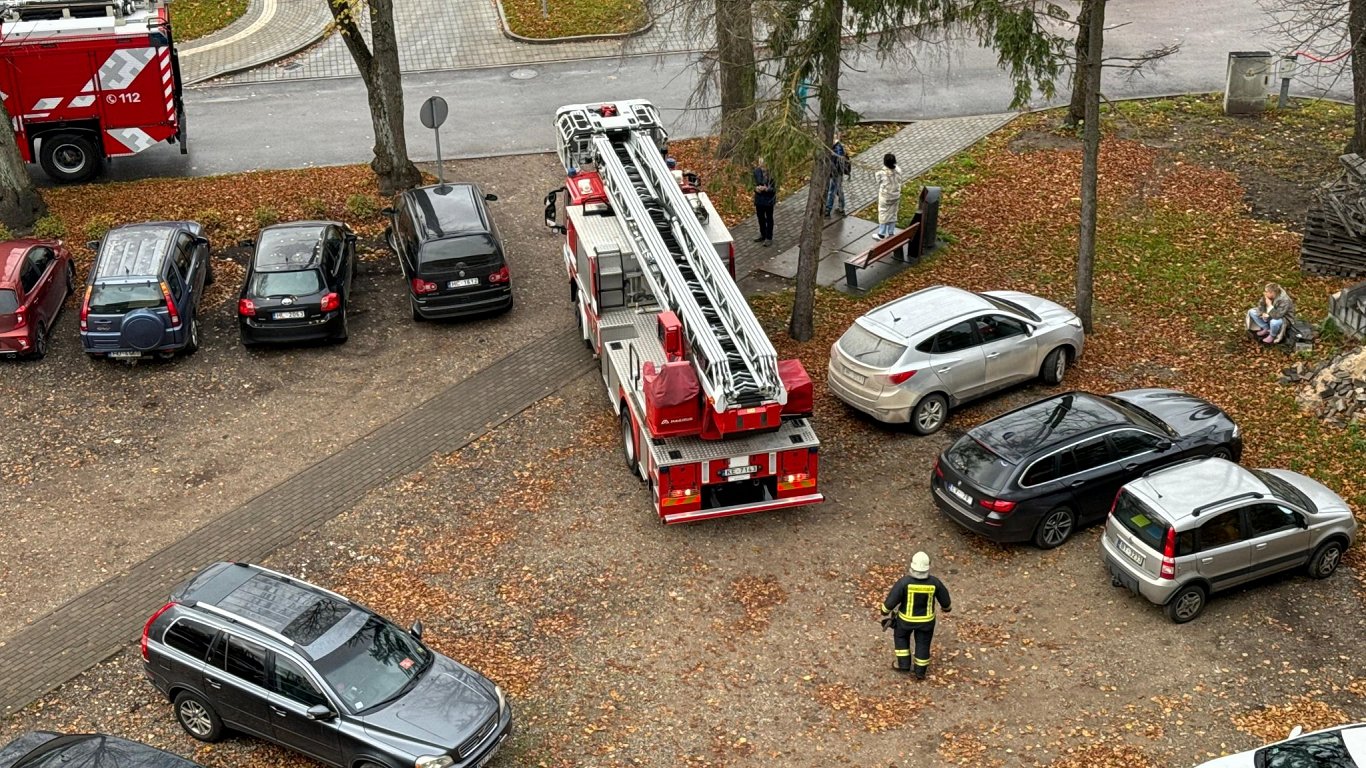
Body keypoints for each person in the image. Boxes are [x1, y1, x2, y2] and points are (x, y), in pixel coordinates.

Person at [881, 551, 951, 679]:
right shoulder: (935, 583)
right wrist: (946, 608)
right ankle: (920, 672)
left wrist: (884, 611)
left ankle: (903, 664)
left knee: (901, 638)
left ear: (912, 566)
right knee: (923, 643)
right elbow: (945, 601)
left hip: (905, 620)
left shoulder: (904, 582)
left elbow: (891, 600)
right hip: (927, 622)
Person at [874, 153, 901, 240]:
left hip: (885, 196)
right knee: (893, 213)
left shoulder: (881, 172)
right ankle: (891, 232)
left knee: (883, 212)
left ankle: (881, 233)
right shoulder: (898, 170)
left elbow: (878, 181)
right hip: (896, 195)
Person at [752, 157, 776, 246]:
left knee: (769, 218)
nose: (761, 166)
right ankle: (763, 234)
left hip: (769, 199)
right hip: (759, 199)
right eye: (760, 164)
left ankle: (769, 237)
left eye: (763, 164)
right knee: (760, 217)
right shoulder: (756, 171)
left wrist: (766, 189)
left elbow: (774, 188)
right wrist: (756, 189)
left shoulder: (773, 173)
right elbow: (754, 184)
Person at [824, 135, 850, 218]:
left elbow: (836, 163)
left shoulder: (837, 149)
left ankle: (828, 211)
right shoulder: (838, 147)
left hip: (836, 174)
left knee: (832, 191)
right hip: (838, 173)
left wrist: (833, 173)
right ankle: (841, 208)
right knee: (839, 191)